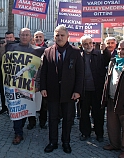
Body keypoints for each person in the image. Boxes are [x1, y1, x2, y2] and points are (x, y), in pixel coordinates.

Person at [40, 25, 84, 154]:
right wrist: (43, 87)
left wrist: (77, 91)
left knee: (68, 118)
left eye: (62, 35)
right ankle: (52, 142)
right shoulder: (48, 51)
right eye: (57, 35)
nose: (59, 38)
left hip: (69, 92)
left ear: (67, 36)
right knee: (52, 118)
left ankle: (66, 142)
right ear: (54, 37)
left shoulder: (75, 52)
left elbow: (80, 73)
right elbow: (44, 72)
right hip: (52, 91)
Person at [6, 28, 45, 145]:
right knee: (15, 108)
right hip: (14, 85)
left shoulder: (37, 50)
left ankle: (21, 127)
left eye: (27, 35)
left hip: (28, 86)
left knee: (24, 108)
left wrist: (38, 84)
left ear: (30, 37)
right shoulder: (11, 48)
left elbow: (41, 67)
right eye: (22, 35)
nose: (24, 37)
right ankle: (18, 133)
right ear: (19, 36)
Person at [101, 40, 124, 158]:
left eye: (123, 49)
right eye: (119, 49)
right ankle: (114, 144)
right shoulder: (113, 62)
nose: (120, 51)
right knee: (112, 124)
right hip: (111, 98)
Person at [78, 36, 109, 142]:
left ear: (93, 43)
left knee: (98, 113)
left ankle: (99, 133)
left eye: (90, 43)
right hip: (84, 90)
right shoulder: (79, 56)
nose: (88, 45)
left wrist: (105, 51)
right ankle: (85, 133)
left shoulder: (99, 54)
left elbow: (107, 61)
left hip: (97, 89)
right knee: (83, 113)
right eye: (85, 44)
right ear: (82, 46)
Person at [25, 31, 48, 129]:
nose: (38, 38)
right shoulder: (29, 49)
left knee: (44, 104)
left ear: (43, 38)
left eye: (40, 37)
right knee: (30, 102)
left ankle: (43, 122)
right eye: (36, 37)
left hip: (44, 81)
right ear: (33, 38)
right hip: (30, 80)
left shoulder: (48, 49)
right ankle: (31, 122)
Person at [0, 31, 15, 115]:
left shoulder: (16, 46)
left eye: (10, 37)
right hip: (2, 72)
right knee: (2, 90)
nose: (9, 39)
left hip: (12, 73)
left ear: (14, 38)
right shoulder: (1, 46)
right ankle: (4, 106)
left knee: (11, 91)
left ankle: (11, 107)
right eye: (7, 37)